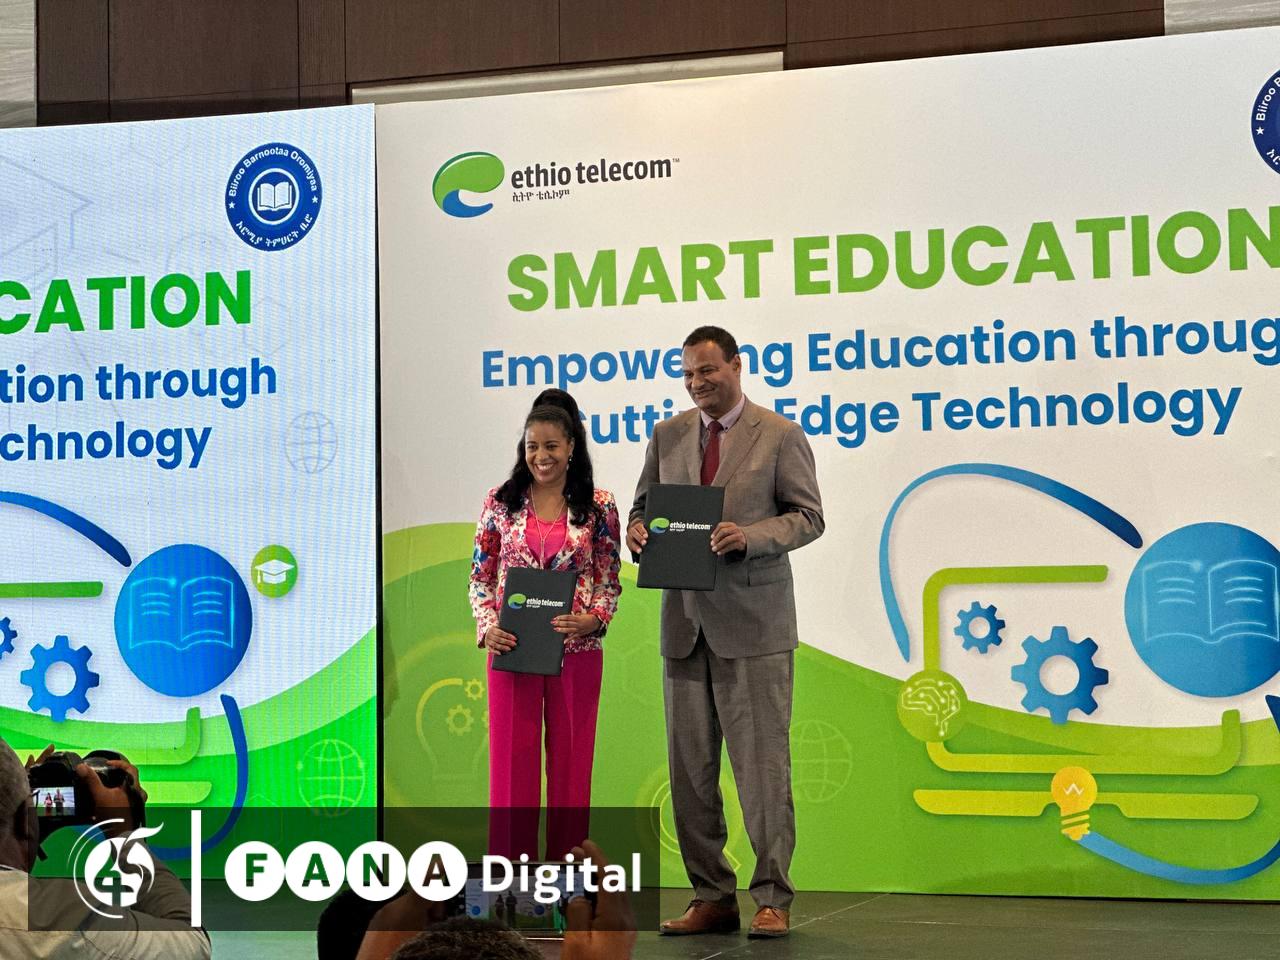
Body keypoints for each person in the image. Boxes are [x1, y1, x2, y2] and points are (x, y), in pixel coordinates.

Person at [627, 325, 824, 939]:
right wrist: (637, 532)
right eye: (688, 374)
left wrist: (751, 537)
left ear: (737, 366)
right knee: (690, 775)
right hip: (684, 628)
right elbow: (642, 508)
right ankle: (711, 896)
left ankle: (773, 897)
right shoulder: (667, 435)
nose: (696, 383)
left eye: (707, 370)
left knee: (763, 773)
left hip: (755, 628)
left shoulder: (781, 434)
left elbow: (808, 517)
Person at [470, 402, 622, 860]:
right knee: (511, 775)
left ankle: (567, 883)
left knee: (572, 773)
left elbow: (609, 579)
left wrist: (595, 618)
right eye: (532, 446)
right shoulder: (500, 502)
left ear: (571, 447)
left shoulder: (599, 506)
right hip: (512, 651)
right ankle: (509, 884)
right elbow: (480, 576)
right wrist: (488, 627)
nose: (541, 456)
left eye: (552, 446)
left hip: (577, 652)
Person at [0, 739, 211, 959]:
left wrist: (23, 825)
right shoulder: (65, 919)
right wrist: (125, 837)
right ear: (23, 816)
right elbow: (193, 944)